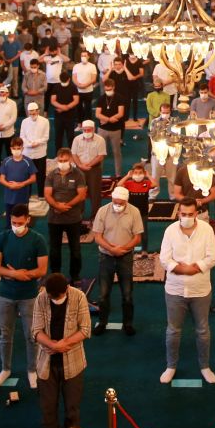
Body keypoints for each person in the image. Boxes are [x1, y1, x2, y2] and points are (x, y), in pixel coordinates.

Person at [0, 203, 49, 388]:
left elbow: (42, 270)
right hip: (5, 294)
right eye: (13, 222)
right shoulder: (2, 238)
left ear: (28, 220)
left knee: (31, 335)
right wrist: (15, 274)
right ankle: (5, 369)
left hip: (29, 295)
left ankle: (32, 370)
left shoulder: (38, 240)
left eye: (20, 222)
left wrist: (22, 275)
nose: (16, 226)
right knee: (5, 334)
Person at [158, 198, 215, 384]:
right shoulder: (170, 231)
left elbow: (212, 258)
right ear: (178, 214)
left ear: (196, 213)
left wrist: (195, 268)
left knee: (202, 330)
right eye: (183, 214)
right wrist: (184, 269)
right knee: (173, 331)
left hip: (200, 290)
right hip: (175, 290)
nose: (186, 217)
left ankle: (204, 366)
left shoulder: (207, 230)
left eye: (190, 214)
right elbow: (164, 259)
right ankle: (171, 366)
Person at [34, 272, 91, 428]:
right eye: (52, 297)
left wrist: (62, 344)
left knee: (72, 410)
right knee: (47, 410)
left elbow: (85, 329)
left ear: (67, 289)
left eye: (59, 297)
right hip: (47, 365)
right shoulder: (41, 298)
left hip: (73, 363)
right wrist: (53, 345)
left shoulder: (79, 296)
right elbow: (36, 331)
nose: (56, 299)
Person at [91, 186, 141, 335]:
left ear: (126, 201)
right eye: (115, 202)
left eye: (121, 202)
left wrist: (123, 249)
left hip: (125, 257)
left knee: (127, 294)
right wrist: (112, 249)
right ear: (111, 199)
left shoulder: (134, 212)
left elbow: (137, 237)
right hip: (106, 256)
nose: (118, 205)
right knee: (103, 294)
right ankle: (102, 322)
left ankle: (128, 324)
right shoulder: (102, 211)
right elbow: (97, 236)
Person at [45, 146, 88, 282]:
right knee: (54, 250)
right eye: (60, 160)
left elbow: (81, 195)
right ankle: (55, 274)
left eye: (65, 160)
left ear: (70, 160)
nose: (62, 162)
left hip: (73, 218)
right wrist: (57, 206)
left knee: (75, 250)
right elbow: (47, 194)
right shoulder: (51, 175)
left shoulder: (78, 174)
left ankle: (75, 275)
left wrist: (66, 206)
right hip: (54, 218)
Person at [71, 120, 108, 222]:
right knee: (79, 192)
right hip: (79, 169)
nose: (86, 131)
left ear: (94, 129)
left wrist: (89, 165)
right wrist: (80, 165)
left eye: (89, 130)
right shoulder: (77, 139)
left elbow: (100, 156)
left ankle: (96, 216)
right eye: (85, 130)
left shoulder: (100, 140)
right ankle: (79, 214)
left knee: (95, 193)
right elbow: (74, 154)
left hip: (94, 169)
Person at [21, 102, 52, 194]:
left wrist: (37, 143)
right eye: (30, 113)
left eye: (34, 113)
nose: (32, 115)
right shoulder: (24, 122)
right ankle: (27, 194)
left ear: (38, 111)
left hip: (40, 153)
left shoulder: (45, 121)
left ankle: (41, 195)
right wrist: (30, 144)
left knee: (41, 176)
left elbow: (46, 137)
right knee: (27, 176)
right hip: (27, 153)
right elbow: (22, 136)